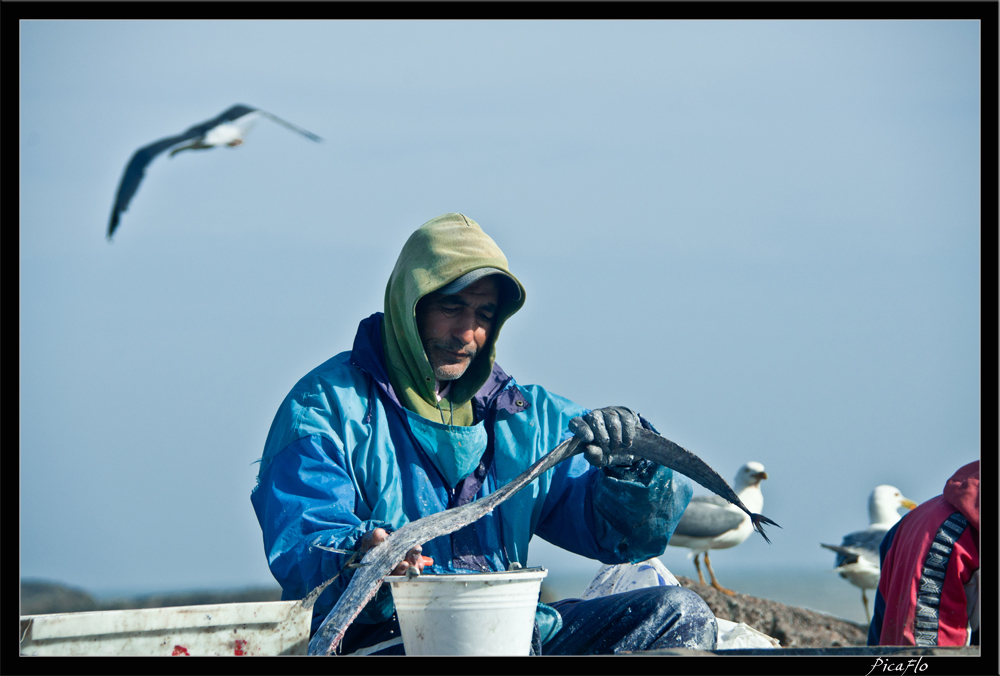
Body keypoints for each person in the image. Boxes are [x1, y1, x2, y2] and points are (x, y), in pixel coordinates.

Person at [251, 212, 717, 655]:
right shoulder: (324, 406)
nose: (466, 332)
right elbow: (302, 540)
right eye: (450, 306)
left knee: (678, 616)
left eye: (484, 313)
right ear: (408, 305)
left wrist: (631, 469)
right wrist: (364, 557)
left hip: (511, 633)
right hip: (387, 642)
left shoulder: (524, 418)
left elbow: (618, 536)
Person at [868, 460, 979, 647]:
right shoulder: (945, 537)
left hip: (912, 535)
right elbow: (925, 654)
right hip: (937, 546)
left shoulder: (914, 519)